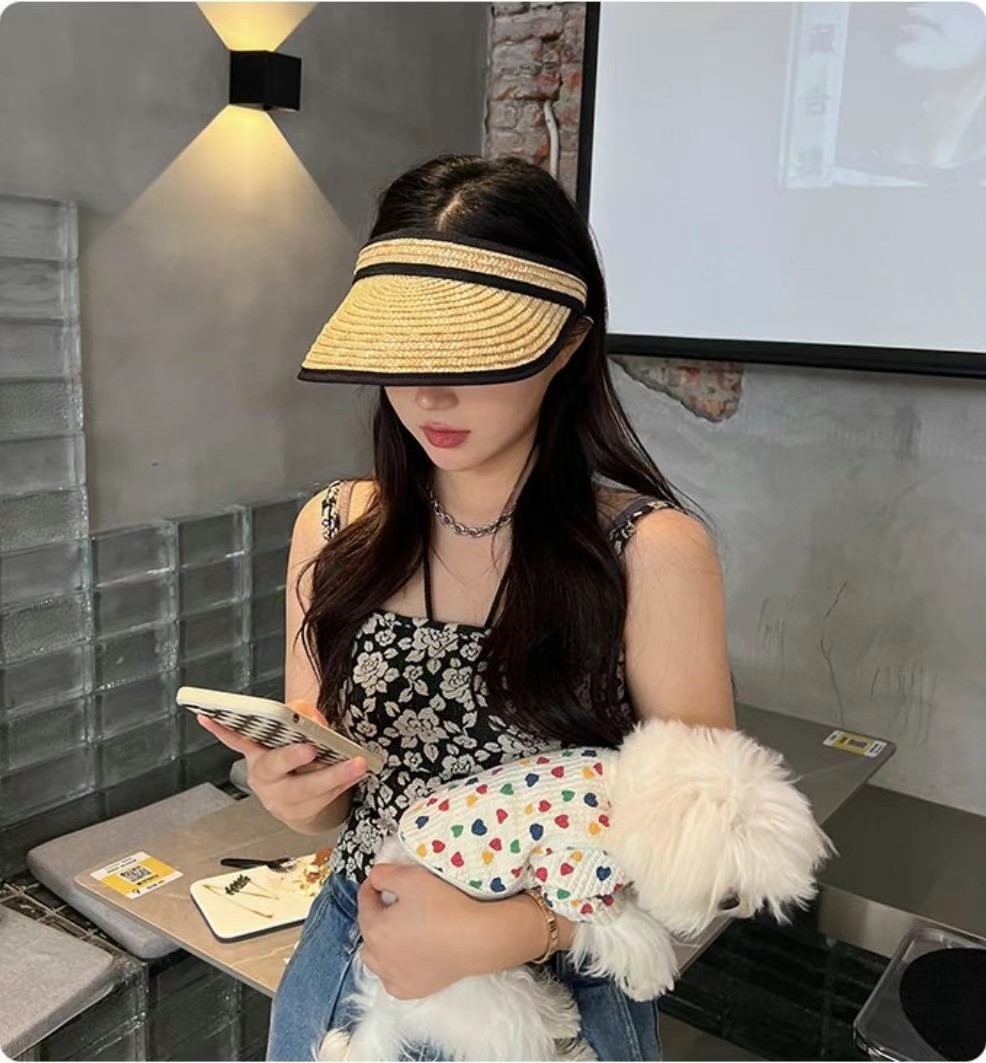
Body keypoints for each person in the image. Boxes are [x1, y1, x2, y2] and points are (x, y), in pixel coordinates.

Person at [198, 153, 736, 1061]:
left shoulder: (650, 553)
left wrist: (523, 929)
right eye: (402, 350)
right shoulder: (333, 528)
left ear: (568, 344)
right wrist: (293, 795)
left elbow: (715, 857)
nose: (427, 393)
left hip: (560, 997)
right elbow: (333, 797)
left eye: (472, 351)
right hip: (349, 976)